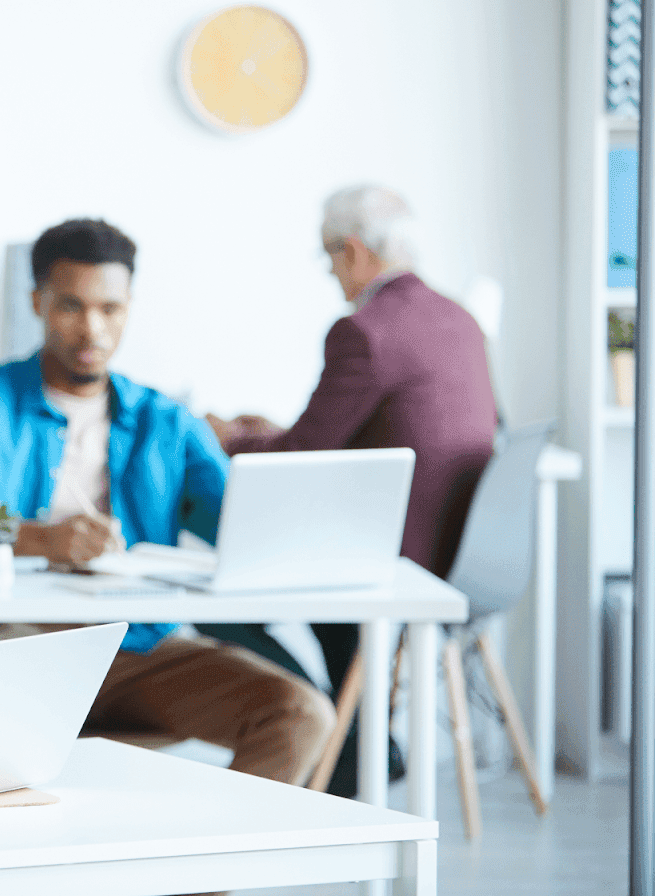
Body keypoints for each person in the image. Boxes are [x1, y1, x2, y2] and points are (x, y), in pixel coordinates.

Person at [0, 218, 334, 786]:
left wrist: (302, 513)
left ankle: (192, 882)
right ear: (37, 301)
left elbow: (241, 525)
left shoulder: (167, 421)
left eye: (110, 309)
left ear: (129, 306)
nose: (92, 328)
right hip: (13, 646)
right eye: (71, 306)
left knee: (300, 714)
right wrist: (38, 537)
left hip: (135, 647)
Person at [205, 184, 498, 797]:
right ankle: (365, 740)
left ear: (356, 249)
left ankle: (337, 738)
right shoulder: (459, 320)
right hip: (461, 550)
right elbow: (370, 432)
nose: (332, 274)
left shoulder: (363, 331)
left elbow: (301, 457)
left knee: (225, 593)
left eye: (329, 257)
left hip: (389, 558)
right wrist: (270, 432)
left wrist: (224, 439)